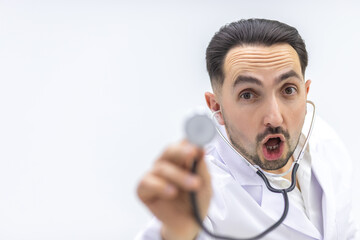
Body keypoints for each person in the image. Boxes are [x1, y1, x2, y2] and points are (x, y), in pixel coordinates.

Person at [135, 19, 358, 240]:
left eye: (288, 89)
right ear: (216, 107)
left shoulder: (325, 142)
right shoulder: (202, 193)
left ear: (305, 92)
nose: (274, 117)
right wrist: (177, 233)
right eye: (248, 95)